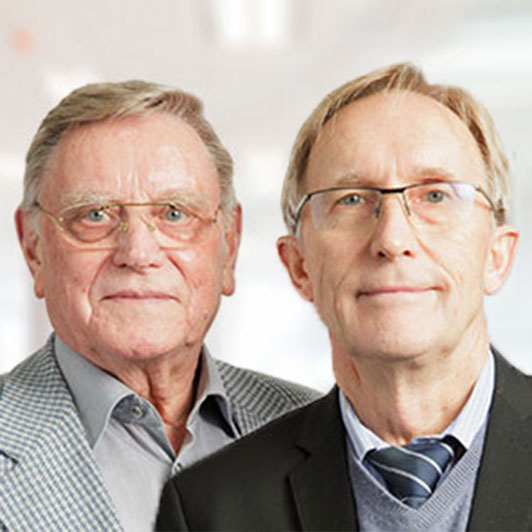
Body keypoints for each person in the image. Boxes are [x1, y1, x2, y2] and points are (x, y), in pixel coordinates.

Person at [156, 63, 531, 532]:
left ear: (497, 255)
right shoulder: (210, 509)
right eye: (351, 199)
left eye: (435, 196)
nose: (392, 238)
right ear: (299, 266)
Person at [3, 80, 319, 531]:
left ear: (229, 245)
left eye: (174, 213)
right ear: (34, 248)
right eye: (95, 215)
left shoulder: (317, 430)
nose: (138, 252)